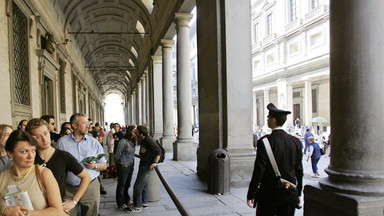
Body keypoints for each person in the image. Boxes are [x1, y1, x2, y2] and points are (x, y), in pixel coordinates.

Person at [247, 103, 303, 216]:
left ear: (273, 120)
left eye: (268, 118)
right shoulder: (296, 142)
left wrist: (251, 194)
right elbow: (299, 170)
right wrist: (298, 193)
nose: (267, 120)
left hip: (269, 194)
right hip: (289, 193)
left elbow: (259, 170)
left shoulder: (264, 141)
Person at [25, 118, 91, 215]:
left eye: (46, 134)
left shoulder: (63, 156)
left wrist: (74, 201)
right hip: (34, 210)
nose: (44, 139)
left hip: (56, 209)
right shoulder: (29, 158)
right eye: (38, 136)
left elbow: (86, 177)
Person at [0, 130, 62, 215]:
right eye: (24, 152)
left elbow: (58, 211)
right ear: (10, 154)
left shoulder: (44, 174)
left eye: (33, 151)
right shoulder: (2, 177)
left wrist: (27, 213)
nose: (31, 156)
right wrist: (4, 210)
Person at [56, 113, 107, 216]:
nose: (88, 126)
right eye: (84, 123)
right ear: (74, 125)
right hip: (69, 189)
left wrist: (94, 166)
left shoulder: (93, 142)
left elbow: (104, 165)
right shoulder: (62, 143)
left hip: (90, 187)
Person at [127, 125, 161, 212]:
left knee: (137, 186)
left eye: (137, 130)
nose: (135, 131)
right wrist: (141, 152)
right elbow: (144, 151)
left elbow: (158, 150)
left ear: (140, 133)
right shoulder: (144, 140)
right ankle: (144, 203)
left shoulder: (148, 140)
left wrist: (155, 162)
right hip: (143, 164)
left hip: (146, 166)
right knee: (144, 184)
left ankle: (137, 206)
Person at [115, 125, 137, 210]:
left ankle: (126, 199)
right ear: (130, 131)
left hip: (130, 165)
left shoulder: (133, 141)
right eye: (135, 130)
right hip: (123, 166)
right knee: (121, 184)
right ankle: (120, 203)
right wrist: (118, 165)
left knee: (127, 184)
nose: (136, 132)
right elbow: (117, 155)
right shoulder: (123, 141)